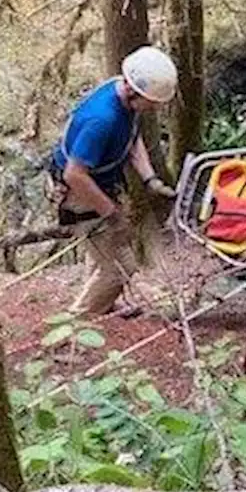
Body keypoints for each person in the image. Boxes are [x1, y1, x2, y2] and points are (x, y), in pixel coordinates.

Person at [49, 46, 179, 316]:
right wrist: (109, 212)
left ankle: (101, 301)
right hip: (77, 190)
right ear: (135, 92)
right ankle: (76, 322)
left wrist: (149, 178)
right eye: (152, 103)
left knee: (105, 248)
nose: (154, 108)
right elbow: (74, 174)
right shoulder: (102, 120)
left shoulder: (121, 95)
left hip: (99, 180)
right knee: (121, 267)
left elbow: (132, 137)